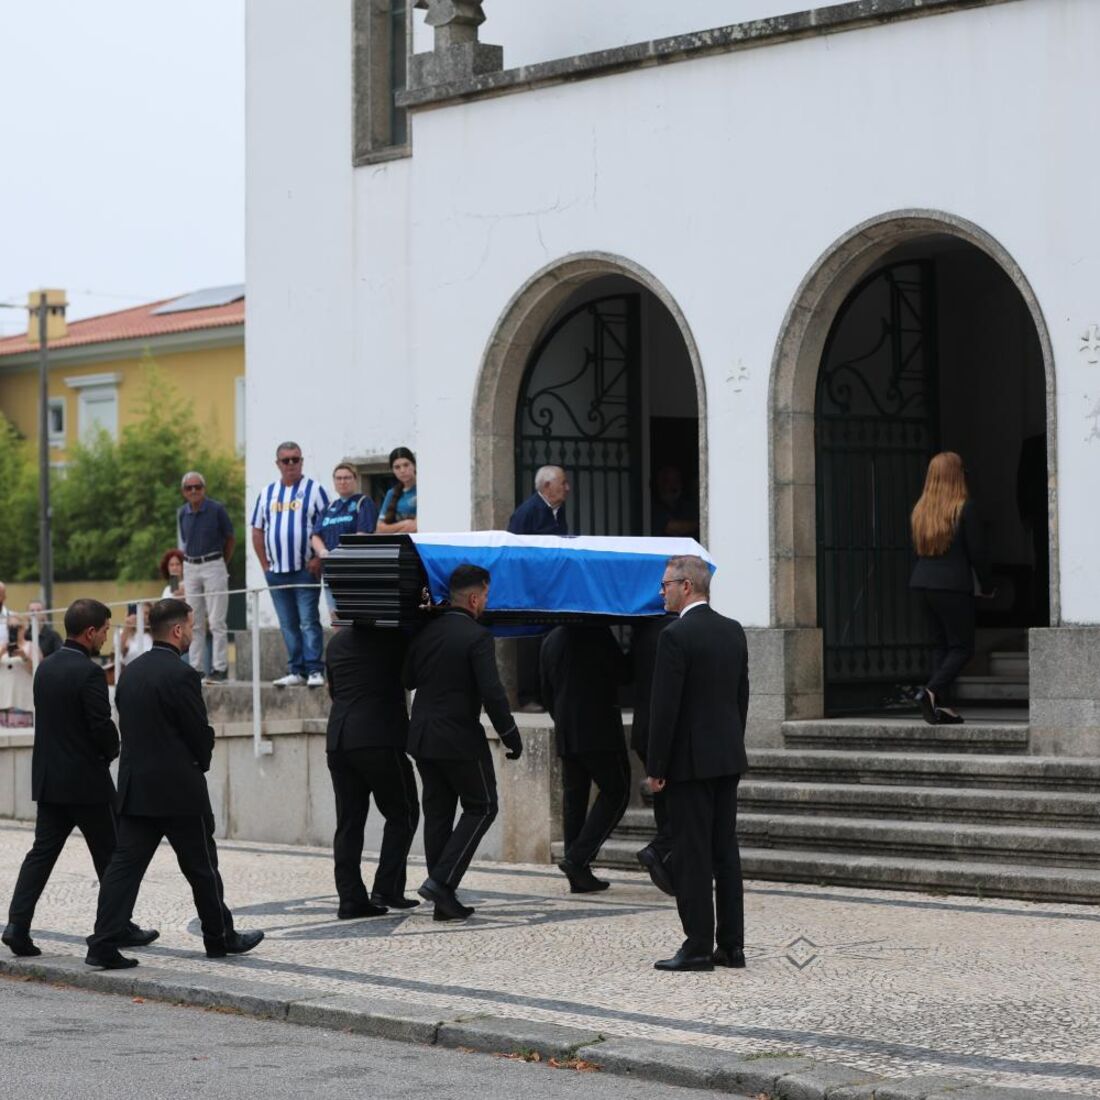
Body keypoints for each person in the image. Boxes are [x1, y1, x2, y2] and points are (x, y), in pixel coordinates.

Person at [85, 599, 263, 969]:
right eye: (192, 628)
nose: (193, 634)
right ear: (178, 630)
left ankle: (102, 942)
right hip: (179, 789)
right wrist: (203, 758)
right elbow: (196, 730)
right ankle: (219, 938)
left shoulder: (130, 672)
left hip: (136, 788)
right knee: (201, 867)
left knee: (124, 868)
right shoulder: (182, 675)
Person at [3, 599, 158, 959]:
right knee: (113, 857)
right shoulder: (88, 672)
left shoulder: (46, 668)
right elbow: (100, 726)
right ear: (90, 632)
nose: (106, 635)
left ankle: (17, 925)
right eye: (104, 629)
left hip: (49, 780)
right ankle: (116, 928)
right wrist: (111, 751)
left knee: (40, 855)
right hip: (87, 783)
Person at [647, 555, 749, 973]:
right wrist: (730, 745)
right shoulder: (733, 631)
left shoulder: (676, 636)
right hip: (726, 757)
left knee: (692, 854)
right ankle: (732, 946)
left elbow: (664, 708)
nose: (662, 592)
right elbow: (741, 697)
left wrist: (656, 767)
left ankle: (697, 947)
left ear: (687, 586)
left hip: (689, 762)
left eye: (666, 584)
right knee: (725, 852)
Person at [403, 564, 522, 921]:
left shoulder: (426, 631)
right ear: (474, 598)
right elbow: (492, 693)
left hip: (422, 735)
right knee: (483, 806)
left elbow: (408, 678)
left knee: (438, 813)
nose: (487, 602)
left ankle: (444, 899)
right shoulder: (476, 636)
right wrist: (510, 735)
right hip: (458, 737)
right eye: (486, 595)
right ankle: (441, 882)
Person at [325, 624, 419, 917]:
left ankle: (350, 898)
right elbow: (412, 678)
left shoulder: (337, 642)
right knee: (403, 812)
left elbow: (334, 688)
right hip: (379, 738)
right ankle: (387, 887)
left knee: (349, 822)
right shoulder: (393, 639)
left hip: (339, 737)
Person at [540, 625, 631, 893]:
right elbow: (624, 673)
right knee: (618, 791)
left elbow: (545, 690)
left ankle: (577, 870)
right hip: (598, 729)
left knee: (574, 800)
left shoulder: (551, 639)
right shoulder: (596, 633)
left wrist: (563, 718)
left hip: (567, 731)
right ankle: (577, 859)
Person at [910, 451, 994, 726]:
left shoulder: (921, 510)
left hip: (922, 584)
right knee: (962, 647)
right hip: (952, 586)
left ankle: (939, 707)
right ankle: (931, 692)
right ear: (956, 475)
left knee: (940, 645)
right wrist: (988, 585)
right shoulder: (965, 507)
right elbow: (978, 553)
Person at [250, 441, 330, 687]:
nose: (291, 464)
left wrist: (318, 558)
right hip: (277, 572)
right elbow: (257, 531)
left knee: (308, 621)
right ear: (278, 464)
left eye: (296, 459)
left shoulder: (315, 490)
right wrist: (265, 567)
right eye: (286, 460)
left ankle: (315, 669)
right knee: (287, 623)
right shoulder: (267, 493)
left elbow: (326, 526)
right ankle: (296, 669)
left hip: (305, 569)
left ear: (302, 461)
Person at [630, 615, 676, 895]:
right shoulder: (674, 632)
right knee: (679, 804)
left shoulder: (643, 630)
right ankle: (659, 851)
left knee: (664, 802)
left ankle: (666, 862)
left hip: (642, 729)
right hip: (661, 731)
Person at [177, 471, 235, 683]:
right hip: (191, 565)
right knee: (194, 621)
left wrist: (221, 562)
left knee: (217, 620)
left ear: (204, 488)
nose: (194, 491)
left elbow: (230, 538)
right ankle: (196, 667)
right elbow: (183, 542)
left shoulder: (216, 509)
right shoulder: (182, 513)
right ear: (184, 491)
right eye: (189, 488)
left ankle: (220, 667)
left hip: (213, 563)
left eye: (198, 487)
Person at [311, 462, 379, 612]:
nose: (342, 482)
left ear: (355, 479)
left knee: (355, 616)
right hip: (331, 572)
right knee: (336, 617)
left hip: (354, 571)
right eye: (338, 478)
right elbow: (316, 535)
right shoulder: (329, 508)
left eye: (347, 478)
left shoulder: (363, 503)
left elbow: (362, 536)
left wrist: (340, 555)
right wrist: (323, 552)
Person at [507, 466, 570, 535]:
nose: (567, 488)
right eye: (563, 484)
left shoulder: (558, 510)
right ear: (547, 486)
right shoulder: (526, 512)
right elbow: (514, 543)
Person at [375, 447, 418, 534]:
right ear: (393, 470)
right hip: (399, 544)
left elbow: (415, 526)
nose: (402, 470)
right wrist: (404, 523)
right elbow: (379, 528)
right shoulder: (391, 493)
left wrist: (392, 531)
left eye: (406, 465)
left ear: (414, 465)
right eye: (397, 467)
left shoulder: (423, 490)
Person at [651, 466, 699, 539]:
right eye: (668, 481)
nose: (673, 486)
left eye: (676, 481)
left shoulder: (687, 506)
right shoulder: (652, 506)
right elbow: (671, 527)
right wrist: (701, 524)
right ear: (660, 484)